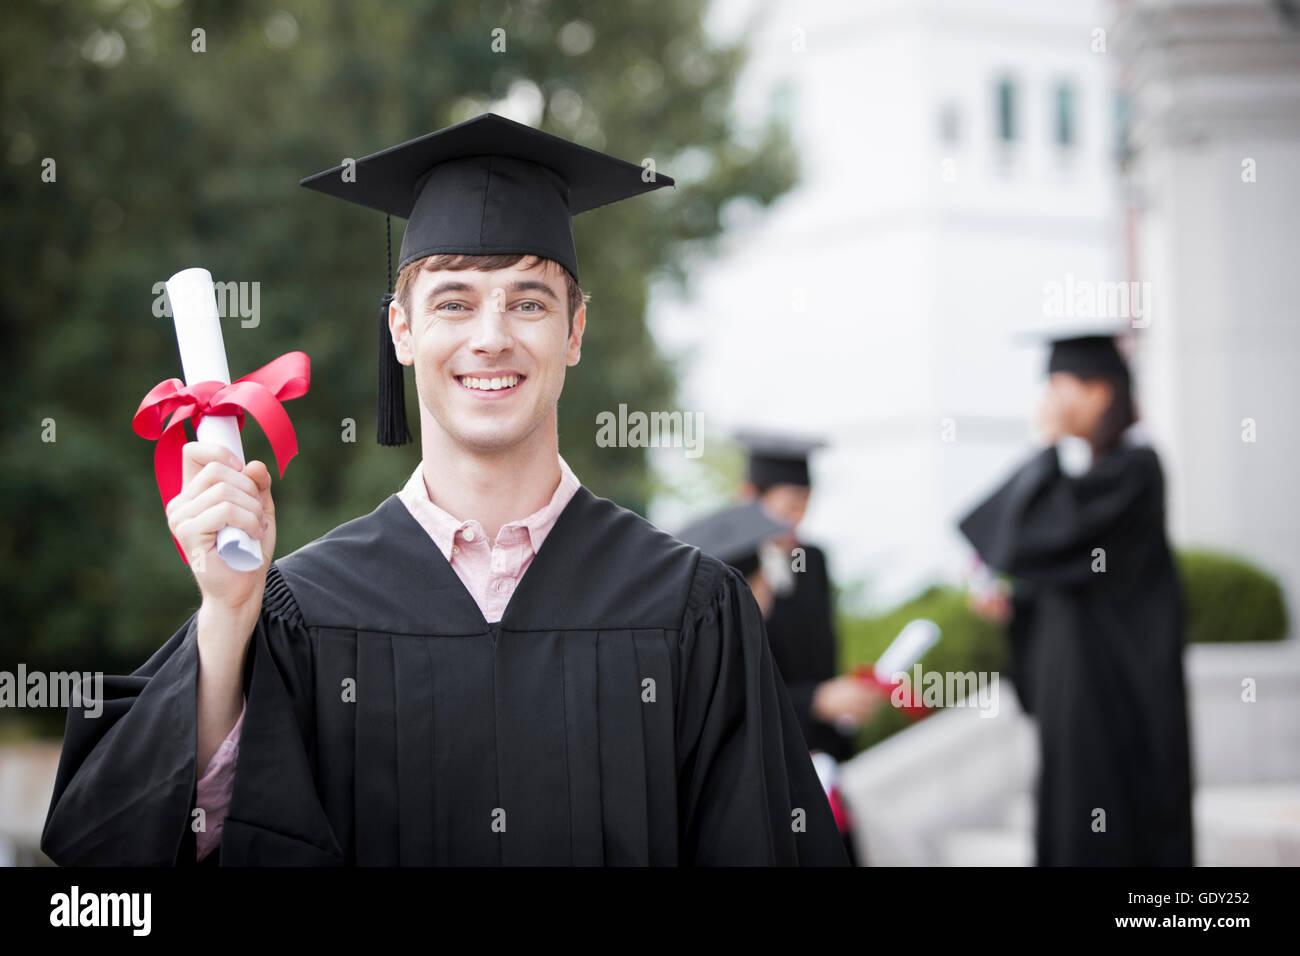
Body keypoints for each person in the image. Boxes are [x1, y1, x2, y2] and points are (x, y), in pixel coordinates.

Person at [41, 114, 848, 867]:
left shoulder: (689, 608)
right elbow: (126, 851)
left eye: (528, 303)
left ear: (573, 331)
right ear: (401, 330)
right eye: (453, 302)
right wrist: (226, 614)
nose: (490, 336)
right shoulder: (297, 610)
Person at [959, 333, 1194, 866]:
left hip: (1120, 695)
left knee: (1116, 829)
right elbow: (1056, 566)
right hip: (1078, 689)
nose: (1050, 404)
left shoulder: (1136, 470)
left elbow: (1042, 535)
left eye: (1060, 388)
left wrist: (1044, 446)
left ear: (1099, 394)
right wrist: (1018, 609)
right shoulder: (1089, 476)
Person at [735, 431, 877, 763]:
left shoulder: (811, 561)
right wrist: (813, 701)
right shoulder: (727, 572)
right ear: (749, 497)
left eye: (805, 505)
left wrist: (843, 699)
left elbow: (824, 655)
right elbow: (735, 685)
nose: (798, 520)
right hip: (766, 756)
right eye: (790, 507)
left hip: (823, 748)